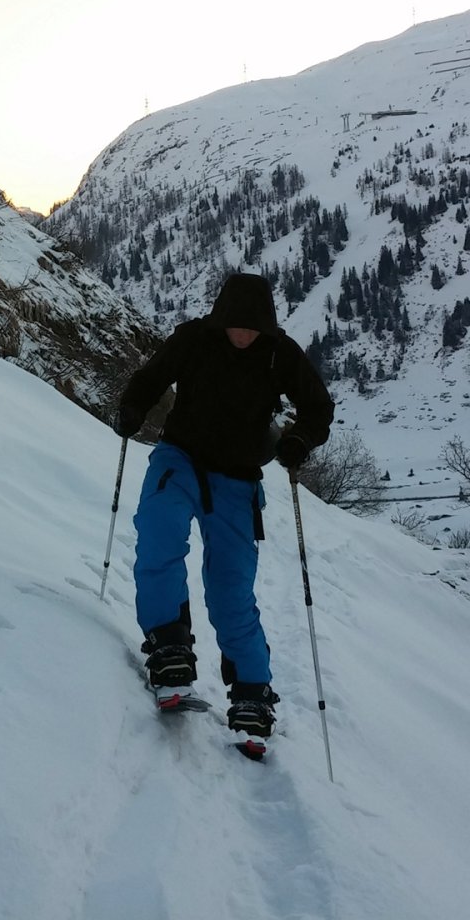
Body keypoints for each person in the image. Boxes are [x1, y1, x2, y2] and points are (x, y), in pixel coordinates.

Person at [114, 272, 334, 740]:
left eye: (254, 328)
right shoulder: (194, 339)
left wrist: (299, 440)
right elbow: (151, 378)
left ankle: (253, 693)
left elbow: (318, 408)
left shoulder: (279, 353)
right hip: (181, 458)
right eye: (238, 325)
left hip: (237, 479)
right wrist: (132, 407)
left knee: (231, 589)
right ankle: (169, 646)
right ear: (222, 318)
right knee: (159, 532)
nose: (244, 334)